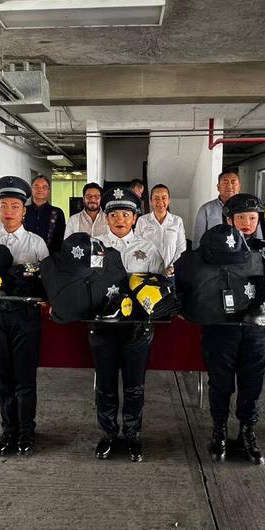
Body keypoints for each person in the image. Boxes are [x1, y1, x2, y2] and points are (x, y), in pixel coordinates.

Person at [89, 187, 164, 463]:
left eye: (126, 213)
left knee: (134, 386)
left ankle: (133, 435)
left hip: (136, 329)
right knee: (105, 385)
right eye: (114, 214)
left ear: (135, 218)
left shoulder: (147, 248)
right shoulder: (94, 245)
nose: (120, 218)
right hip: (103, 327)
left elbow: (159, 287)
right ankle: (108, 435)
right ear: (106, 218)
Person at [203, 194, 265, 464]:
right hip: (222, 326)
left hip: (257, 327)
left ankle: (247, 431)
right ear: (228, 219)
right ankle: (219, 430)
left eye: (253, 218)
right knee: (220, 382)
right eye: (241, 218)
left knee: (252, 384)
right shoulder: (212, 247)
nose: (247, 223)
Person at [0, 176, 49, 456]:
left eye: (14, 205)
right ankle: (8, 430)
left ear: (24, 210)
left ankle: (26, 431)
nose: (8, 210)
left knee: (24, 379)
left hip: (24, 317)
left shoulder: (36, 244)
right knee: (2, 379)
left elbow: (47, 283)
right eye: (3, 205)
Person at [135, 183, 186, 274]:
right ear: (151, 201)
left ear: (169, 200)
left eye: (164, 198)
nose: (160, 202)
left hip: (171, 273)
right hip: (148, 273)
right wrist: (146, 266)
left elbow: (181, 249)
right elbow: (137, 247)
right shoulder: (142, 221)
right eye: (156, 198)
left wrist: (171, 267)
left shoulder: (177, 221)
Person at [193, 169, 241, 247]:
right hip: (213, 255)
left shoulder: (249, 209)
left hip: (242, 256)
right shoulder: (206, 209)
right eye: (225, 182)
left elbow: (257, 239)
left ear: (239, 187)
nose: (229, 186)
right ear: (218, 187)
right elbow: (198, 239)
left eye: (233, 182)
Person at [24, 174, 66, 254]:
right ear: (31, 190)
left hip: (50, 258)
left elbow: (61, 238)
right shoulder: (24, 211)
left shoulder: (57, 212)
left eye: (44, 187)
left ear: (48, 191)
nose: (40, 190)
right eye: (36, 187)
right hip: (26, 257)